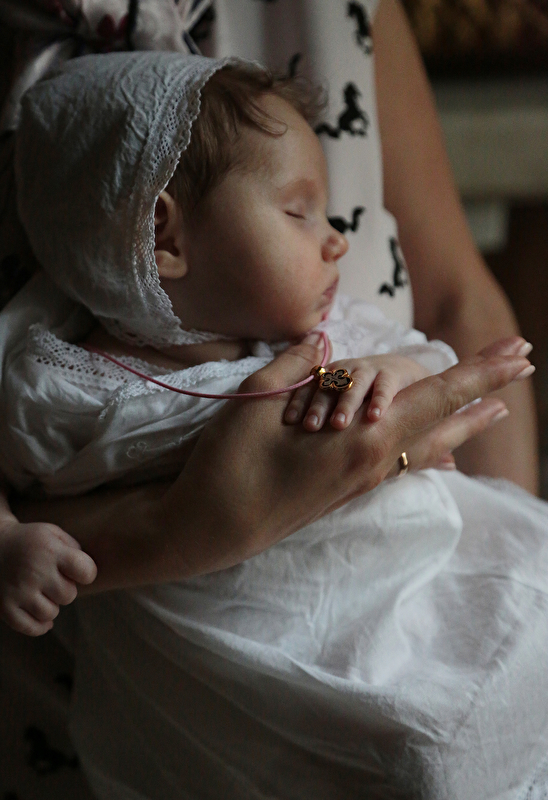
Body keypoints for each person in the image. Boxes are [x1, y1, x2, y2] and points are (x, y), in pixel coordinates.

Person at [1, 51, 547, 800]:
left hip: (401, 579)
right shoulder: (63, 381)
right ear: (165, 237)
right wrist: (9, 540)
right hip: (227, 655)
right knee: (415, 757)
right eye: (298, 212)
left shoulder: (310, 343)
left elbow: (404, 363)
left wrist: (385, 376)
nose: (336, 239)